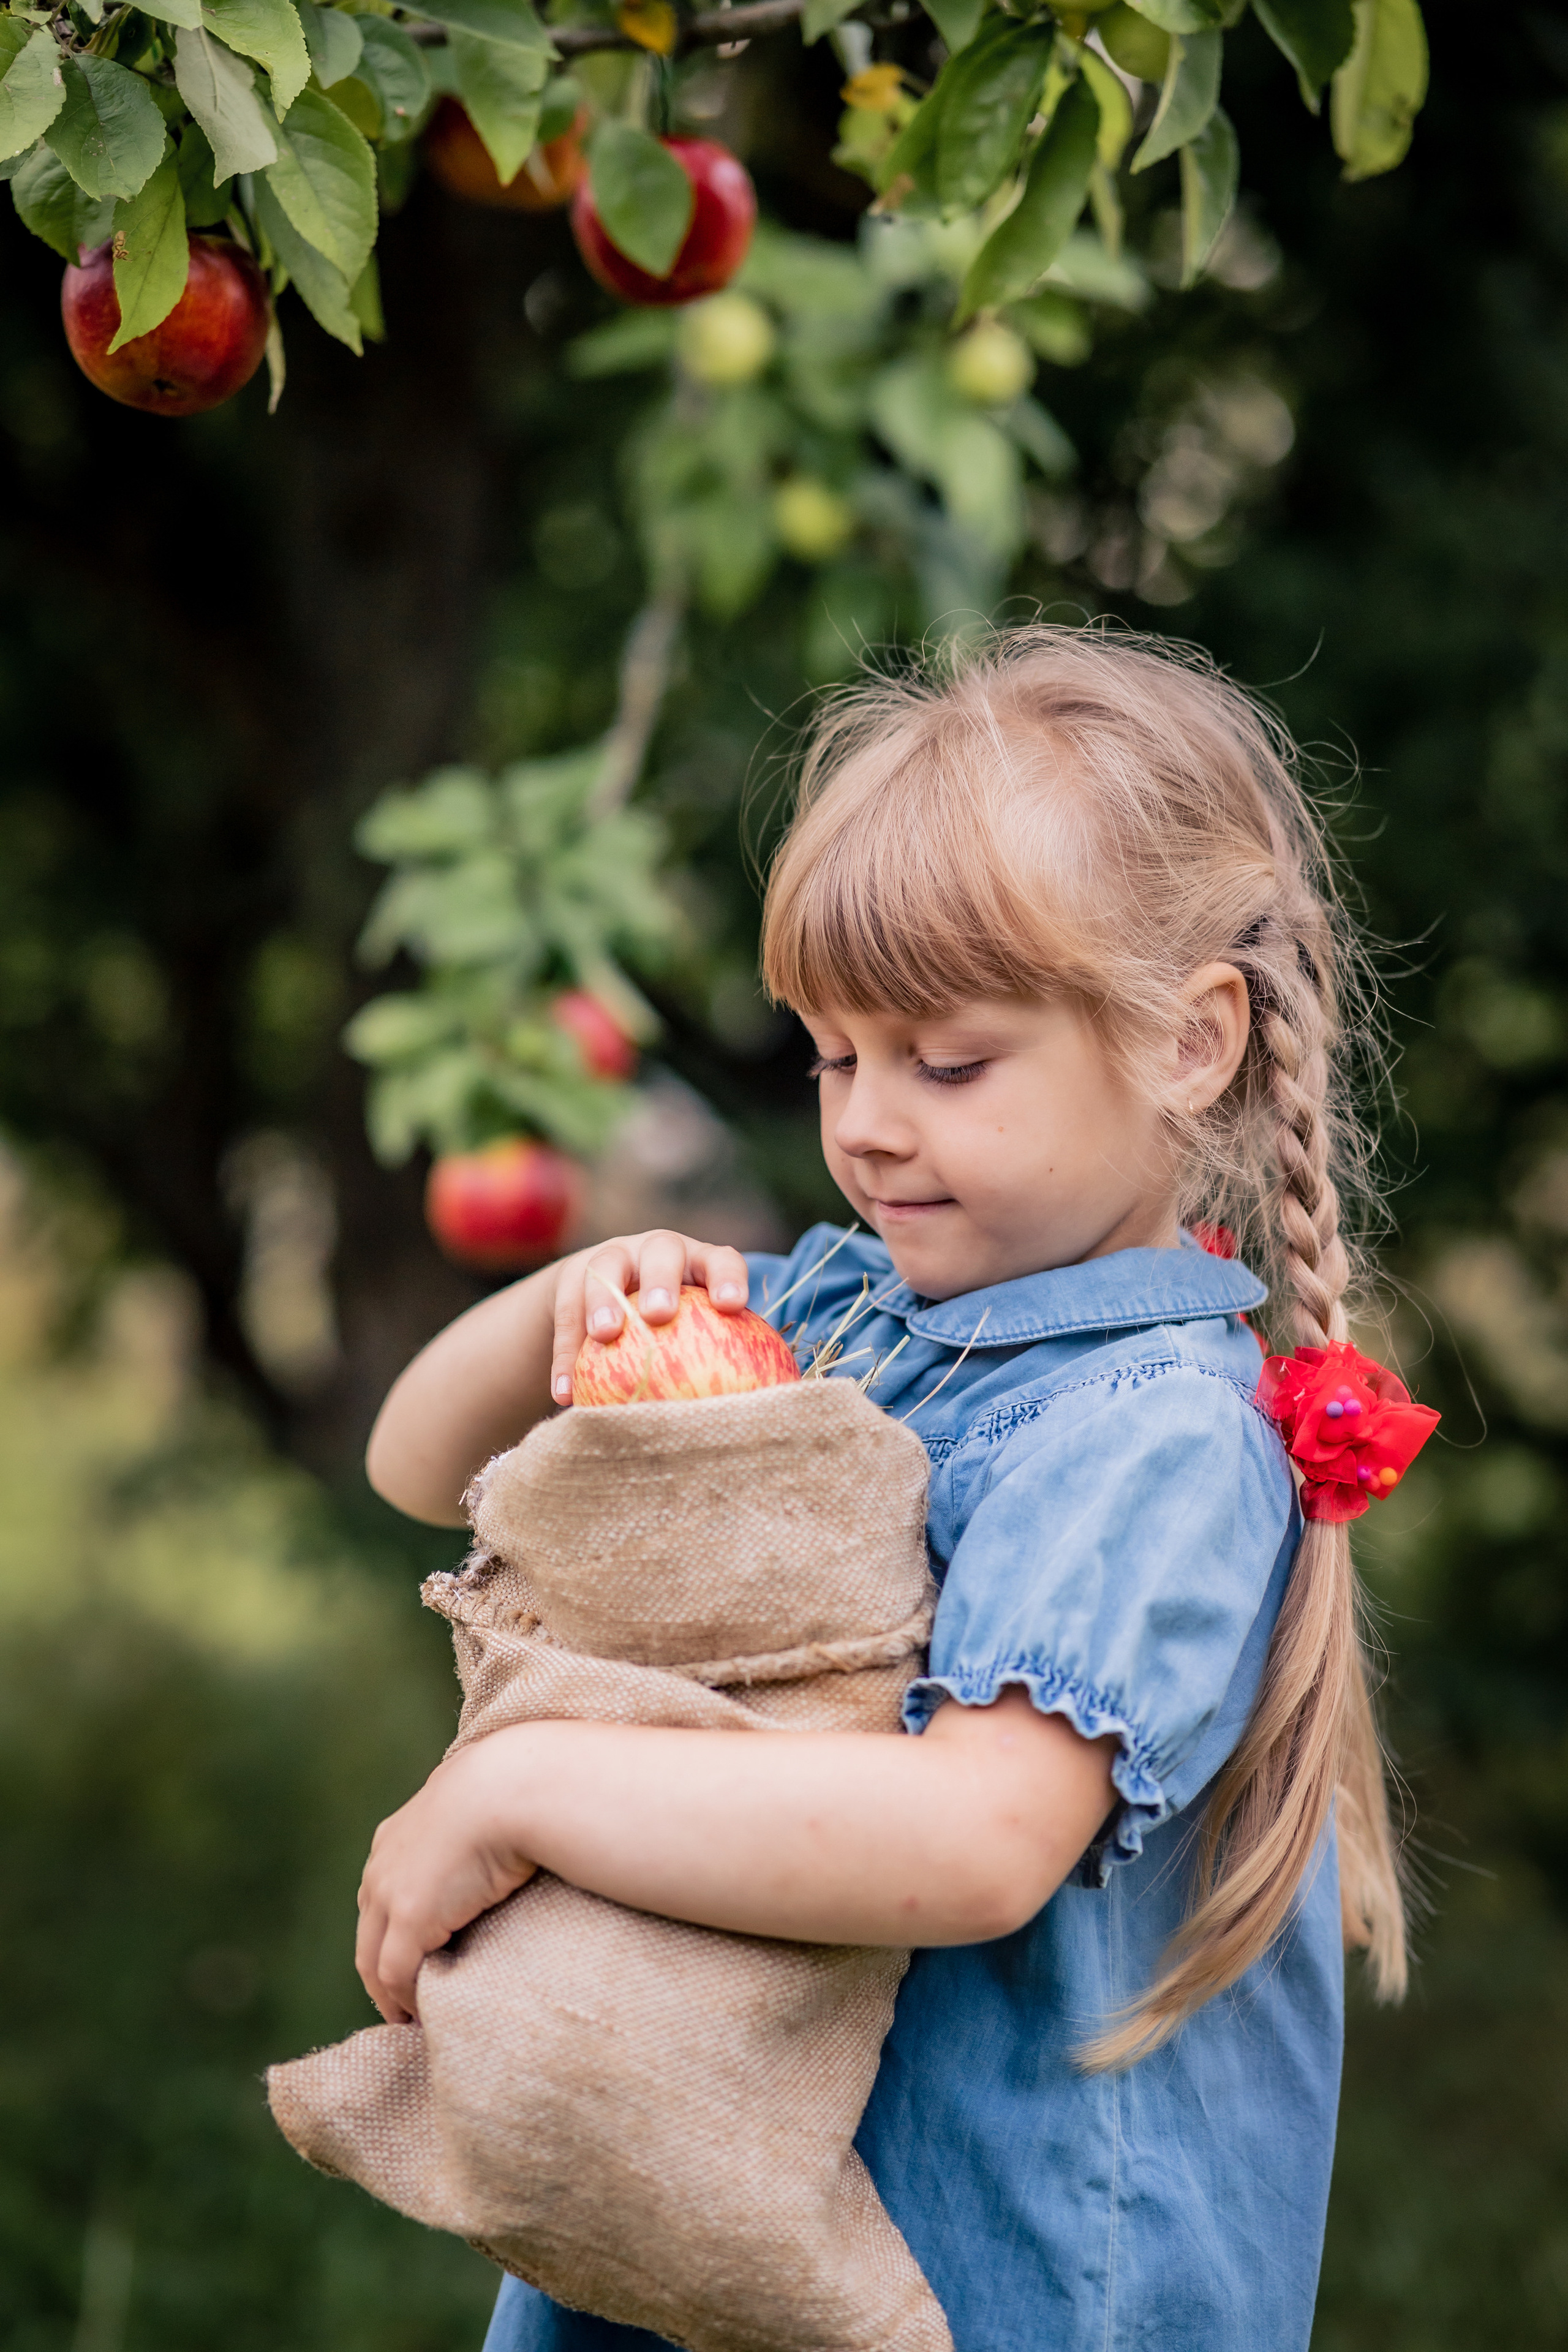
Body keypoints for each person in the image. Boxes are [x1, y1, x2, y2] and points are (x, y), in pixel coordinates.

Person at [356, 627, 1438, 2352]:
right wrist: (582, 1295)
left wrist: (523, 1791)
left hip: (989, 2283)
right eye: (833, 1054)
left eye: (945, 1063)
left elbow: (976, 1842)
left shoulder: (1149, 1435)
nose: (864, 1123)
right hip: (706, 2228)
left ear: (1190, 1042)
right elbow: (417, 1466)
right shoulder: (833, 1311)